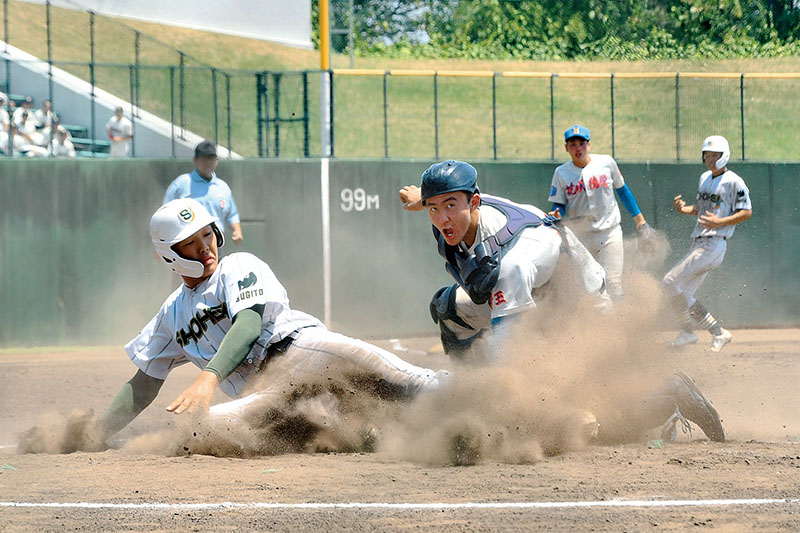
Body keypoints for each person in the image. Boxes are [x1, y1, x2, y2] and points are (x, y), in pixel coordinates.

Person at [399, 160, 725, 444]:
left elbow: (509, 351)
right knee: (448, 310)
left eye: (451, 205)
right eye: (434, 207)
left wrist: (499, 401)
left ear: (474, 202)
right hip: (539, 295)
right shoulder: (459, 216)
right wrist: (422, 200)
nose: (443, 217)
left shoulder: (514, 264)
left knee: (602, 414)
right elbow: (443, 204)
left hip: (579, 305)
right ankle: (466, 393)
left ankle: (674, 393)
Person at [97, 198, 448, 446]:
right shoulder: (170, 316)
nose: (205, 247)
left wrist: (208, 377)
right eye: (190, 242)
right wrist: (94, 434)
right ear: (169, 255)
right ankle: (363, 430)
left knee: (406, 380)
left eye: (207, 234)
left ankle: (475, 405)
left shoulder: (236, 266)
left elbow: (248, 326)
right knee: (203, 430)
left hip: (303, 352)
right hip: (265, 393)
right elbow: (143, 384)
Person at [663, 135, 752, 352]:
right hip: (700, 241)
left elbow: (746, 211)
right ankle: (718, 332)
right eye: (707, 155)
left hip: (714, 243)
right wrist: (683, 209)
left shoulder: (734, 181)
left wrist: (720, 222)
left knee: (669, 281)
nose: (710, 159)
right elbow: (701, 209)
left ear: (724, 156)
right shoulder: (705, 178)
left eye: (715, 155)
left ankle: (687, 332)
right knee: (682, 294)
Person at [548, 125, 653, 299]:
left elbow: (623, 191)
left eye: (581, 143)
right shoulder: (561, 172)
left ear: (589, 145)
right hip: (580, 237)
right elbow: (559, 204)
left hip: (609, 233)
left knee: (612, 283)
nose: (578, 148)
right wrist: (556, 214)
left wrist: (640, 220)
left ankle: (620, 323)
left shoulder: (606, 162)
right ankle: (598, 324)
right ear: (566, 148)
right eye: (572, 144)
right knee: (587, 287)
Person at [163, 140, 243, 245]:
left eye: (211, 158)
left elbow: (232, 215)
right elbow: (166, 213)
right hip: (189, 243)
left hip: (215, 243)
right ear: (195, 160)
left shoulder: (223, 187)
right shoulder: (182, 184)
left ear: (216, 160)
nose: (208, 162)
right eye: (204, 158)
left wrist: (237, 231)